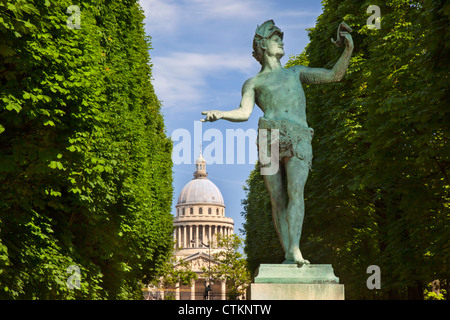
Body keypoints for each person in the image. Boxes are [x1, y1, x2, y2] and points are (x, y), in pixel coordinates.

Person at [201, 20, 353, 265]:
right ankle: (288, 251)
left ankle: (294, 248)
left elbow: (334, 75)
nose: (281, 41)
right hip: (269, 137)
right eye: (275, 38)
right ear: (262, 45)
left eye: (280, 38)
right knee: (277, 198)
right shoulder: (253, 83)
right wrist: (221, 113)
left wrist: (348, 49)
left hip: (299, 136)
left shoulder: (297, 72)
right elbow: (244, 112)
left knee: (296, 193)